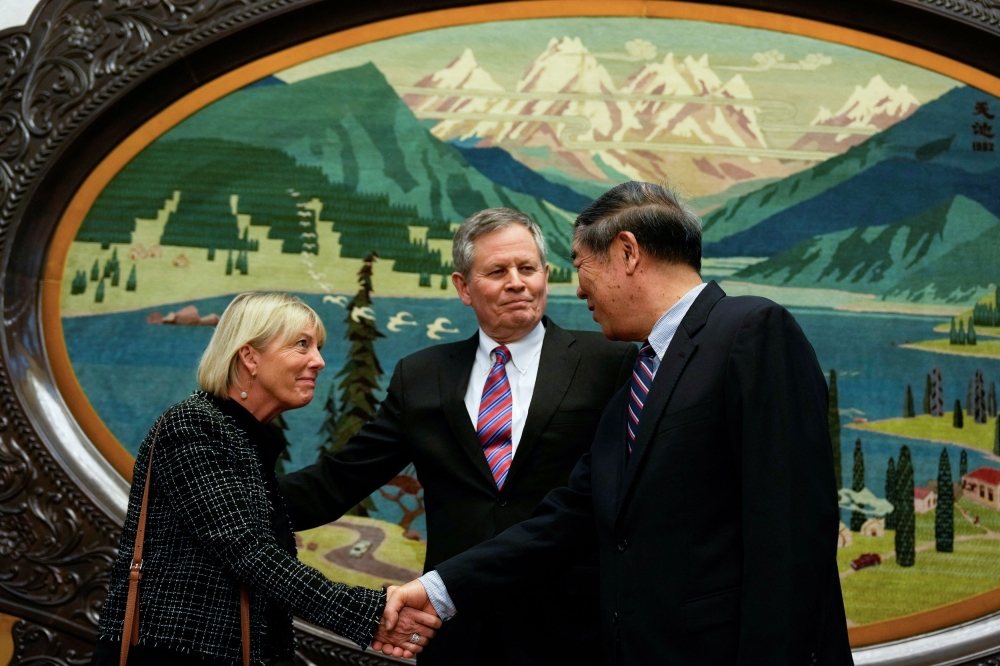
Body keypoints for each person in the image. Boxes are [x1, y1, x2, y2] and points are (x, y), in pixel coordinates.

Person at [381, 183, 854, 665]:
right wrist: (438, 590)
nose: (579, 287)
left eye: (581, 264)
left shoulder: (751, 331)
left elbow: (791, 533)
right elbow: (569, 518)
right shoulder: (637, 376)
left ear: (627, 252)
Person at [278, 208, 637, 666]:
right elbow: (337, 481)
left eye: (527, 268)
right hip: (455, 630)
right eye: (497, 271)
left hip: (573, 628)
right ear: (463, 287)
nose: (516, 282)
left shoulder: (609, 362)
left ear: (547, 275)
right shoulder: (422, 376)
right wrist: (222, 506)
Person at [93, 293, 440, 666]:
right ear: (249, 357)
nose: (319, 361)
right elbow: (247, 551)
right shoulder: (193, 426)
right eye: (302, 345)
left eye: (318, 347)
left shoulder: (241, 438)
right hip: (173, 654)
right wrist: (369, 612)